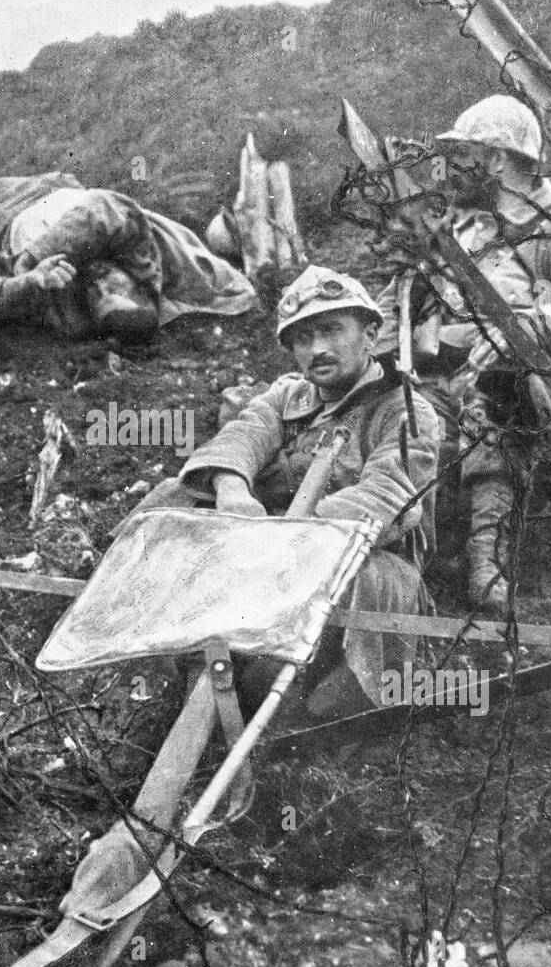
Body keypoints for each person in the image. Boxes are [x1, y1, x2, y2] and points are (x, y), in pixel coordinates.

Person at [129, 265, 438, 721]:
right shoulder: (289, 395)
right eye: (302, 338)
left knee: (304, 688)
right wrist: (232, 487)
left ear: (371, 334)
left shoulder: (405, 410)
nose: (317, 348)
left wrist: (290, 537)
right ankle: (147, 637)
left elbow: (385, 494)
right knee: (171, 498)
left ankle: (314, 700)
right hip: (270, 556)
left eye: (332, 330)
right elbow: (243, 434)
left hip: (356, 557)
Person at [422, 95, 551, 613]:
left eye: (464, 154)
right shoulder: (462, 230)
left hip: (550, 386)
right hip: (458, 376)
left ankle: (487, 555)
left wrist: (518, 334)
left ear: (499, 159)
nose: (453, 167)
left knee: (498, 397)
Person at [0, 173, 257, 342]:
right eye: (116, 287)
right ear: (139, 288)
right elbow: (104, 207)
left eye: (100, 297)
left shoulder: (63, 308)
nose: (100, 282)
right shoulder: (140, 257)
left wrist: (24, 284)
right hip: (36, 191)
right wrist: (38, 256)